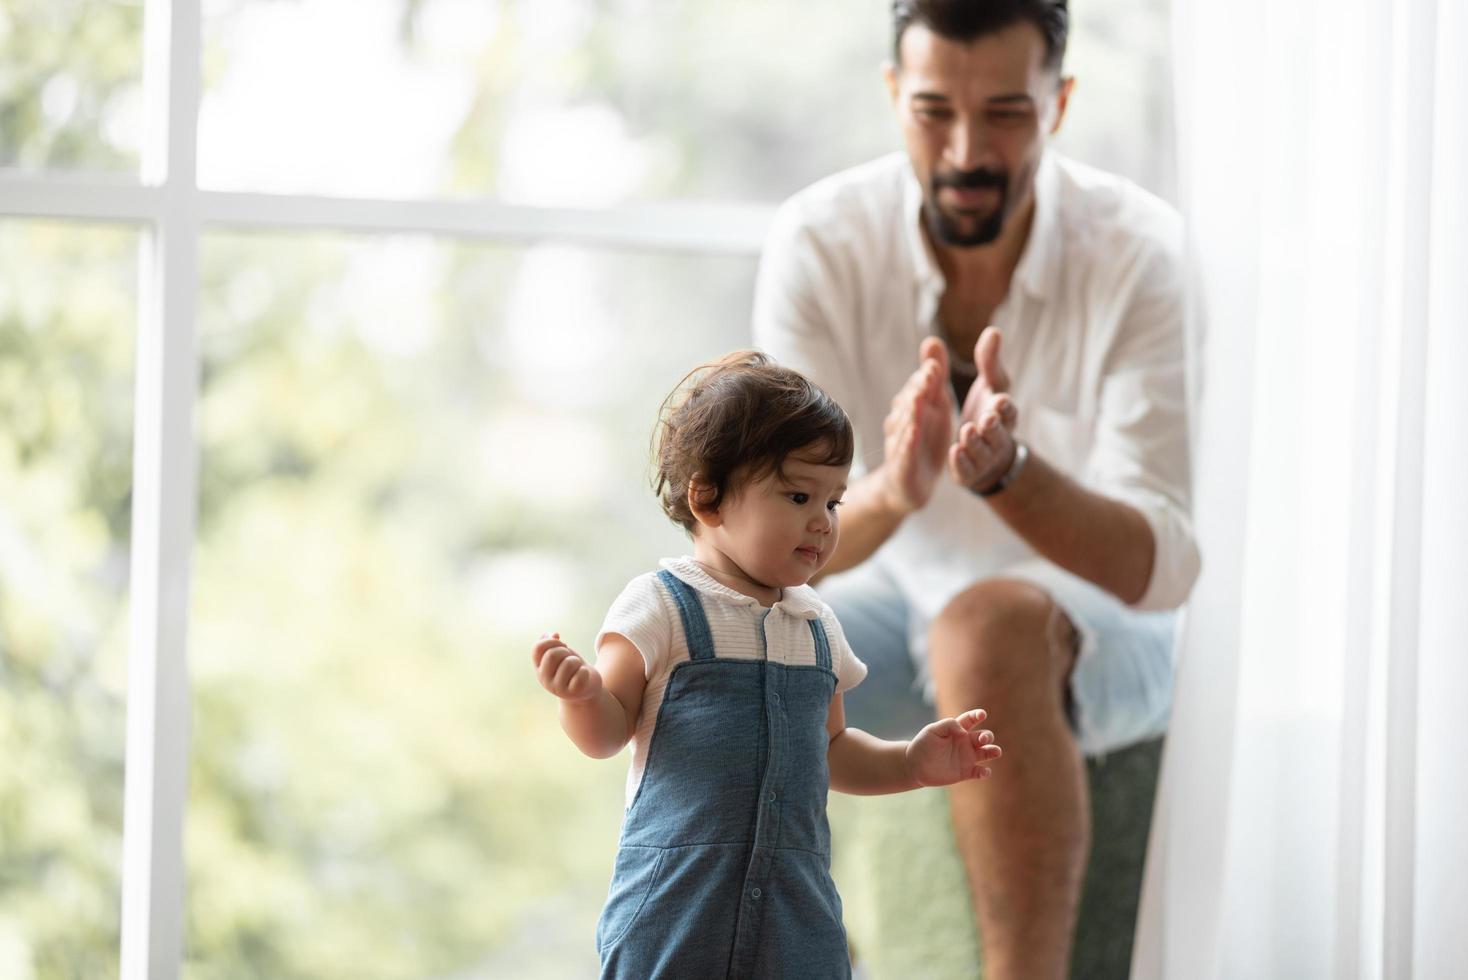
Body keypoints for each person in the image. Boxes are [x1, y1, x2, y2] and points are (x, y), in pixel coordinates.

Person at [751, 2, 1200, 978]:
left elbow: (1158, 565)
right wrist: (893, 492)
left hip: (1100, 626)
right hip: (890, 592)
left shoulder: (1138, 251)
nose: (965, 151)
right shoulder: (820, 241)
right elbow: (761, 537)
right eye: (931, 112)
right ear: (889, 97)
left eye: (1005, 113)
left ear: (1060, 101)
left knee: (982, 624)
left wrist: (1010, 480)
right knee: (708, 632)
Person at [531, 351, 1003, 979]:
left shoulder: (817, 628)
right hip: (677, 911)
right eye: (799, 494)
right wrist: (583, 696)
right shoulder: (659, 607)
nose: (823, 521)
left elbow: (831, 750)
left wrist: (910, 764)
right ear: (708, 498)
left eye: (834, 501)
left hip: (795, 913)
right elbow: (606, 736)